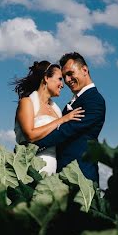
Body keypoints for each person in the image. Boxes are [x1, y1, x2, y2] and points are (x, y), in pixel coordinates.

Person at [33, 52, 106, 183]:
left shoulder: (94, 101)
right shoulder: (71, 103)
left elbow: (65, 131)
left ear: (84, 70)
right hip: (63, 174)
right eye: (64, 76)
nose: (67, 80)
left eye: (70, 74)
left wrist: (32, 140)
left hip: (80, 177)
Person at [12, 61, 84, 175]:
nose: (63, 84)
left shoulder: (57, 111)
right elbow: (30, 135)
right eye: (60, 79)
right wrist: (62, 120)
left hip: (52, 168)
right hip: (29, 167)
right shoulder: (27, 102)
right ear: (46, 78)